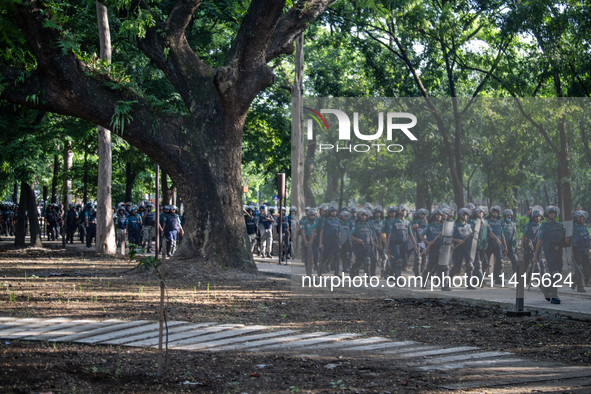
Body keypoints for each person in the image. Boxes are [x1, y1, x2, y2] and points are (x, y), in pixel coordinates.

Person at [533, 205, 567, 304]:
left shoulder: (560, 225)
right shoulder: (544, 226)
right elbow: (540, 241)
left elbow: (563, 239)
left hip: (558, 252)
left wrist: (566, 241)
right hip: (549, 252)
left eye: (554, 213)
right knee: (554, 273)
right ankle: (554, 296)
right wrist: (536, 255)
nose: (552, 214)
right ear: (547, 214)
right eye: (551, 213)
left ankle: (546, 289)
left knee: (558, 274)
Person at [386, 204, 419, 279]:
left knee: (402, 262)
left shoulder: (407, 223)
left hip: (404, 245)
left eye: (405, 211)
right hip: (395, 244)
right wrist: (387, 247)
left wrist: (415, 246)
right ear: (399, 212)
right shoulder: (394, 222)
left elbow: (411, 234)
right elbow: (390, 235)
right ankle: (398, 278)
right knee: (398, 261)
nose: (404, 212)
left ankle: (391, 272)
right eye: (402, 210)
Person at [450, 208, 476, 289]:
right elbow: (450, 238)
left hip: (467, 248)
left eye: (467, 215)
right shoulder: (455, 226)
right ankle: (449, 277)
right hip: (459, 249)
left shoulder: (468, 226)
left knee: (470, 265)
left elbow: (472, 235)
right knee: (457, 267)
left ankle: (469, 284)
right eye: (465, 215)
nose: (466, 216)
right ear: (460, 216)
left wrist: (473, 235)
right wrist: (458, 241)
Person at [421, 209, 444, 287]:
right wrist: (428, 242)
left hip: (441, 248)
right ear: (434, 216)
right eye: (438, 215)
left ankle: (439, 282)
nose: (439, 216)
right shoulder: (429, 226)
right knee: (430, 266)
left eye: (440, 215)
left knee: (440, 266)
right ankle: (424, 282)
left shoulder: (443, 226)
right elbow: (421, 236)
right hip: (433, 248)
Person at [486, 206, 508, 284]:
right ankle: (479, 278)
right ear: (491, 213)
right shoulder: (487, 221)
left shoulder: (499, 222)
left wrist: (505, 246)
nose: (495, 214)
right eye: (494, 212)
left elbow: (502, 235)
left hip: (498, 244)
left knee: (500, 262)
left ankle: (498, 278)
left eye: (496, 212)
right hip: (488, 243)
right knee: (485, 261)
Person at [350, 209, 374, 277]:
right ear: (359, 216)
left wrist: (372, 245)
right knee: (359, 262)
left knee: (367, 261)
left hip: (367, 246)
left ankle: (367, 277)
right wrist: (357, 240)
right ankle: (352, 270)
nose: (364, 217)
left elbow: (370, 235)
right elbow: (350, 235)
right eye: (362, 215)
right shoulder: (356, 225)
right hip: (358, 246)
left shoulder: (368, 225)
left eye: (365, 216)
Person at [521, 208, 545, 279]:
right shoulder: (528, 225)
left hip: (538, 248)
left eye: (539, 217)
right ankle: (522, 279)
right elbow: (524, 236)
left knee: (537, 264)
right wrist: (522, 246)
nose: (537, 218)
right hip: (529, 248)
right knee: (526, 264)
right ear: (533, 217)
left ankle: (530, 279)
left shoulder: (541, 226)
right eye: (536, 217)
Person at [318, 206, 341, 275]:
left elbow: (339, 232)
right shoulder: (326, 220)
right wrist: (320, 243)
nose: (334, 213)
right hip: (327, 240)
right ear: (330, 212)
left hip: (336, 240)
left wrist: (339, 242)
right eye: (332, 211)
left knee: (337, 255)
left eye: (335, 211)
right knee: (325, 256)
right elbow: (322, 232)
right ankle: (320, 269)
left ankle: (336, 272)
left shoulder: (338, 220)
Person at [572, 210, 590, 293]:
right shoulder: (572, 227)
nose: (581, 218)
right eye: (580, 217)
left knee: (587, 265)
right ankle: (580, 286)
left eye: (582, 217)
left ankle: (573, 279)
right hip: (576, 249)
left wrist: (588, 249)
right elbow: (570, 240)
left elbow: (588, 238)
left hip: (584, 249)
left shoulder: (584, 226)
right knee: (578, 267)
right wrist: (571, 252)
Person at [299, 208, 318, 275]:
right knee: (307, 254)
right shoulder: (305, 222)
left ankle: (315, 265)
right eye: (311, 216)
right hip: (307, 238)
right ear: (308, 216)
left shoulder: (316, 221)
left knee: (316, 252)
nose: (312, 217)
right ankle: (307, 267)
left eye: (313, 216)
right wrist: (305, 240)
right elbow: (302, 231)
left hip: (315, 239)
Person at [412, 209, 429, 276]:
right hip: (417, 241)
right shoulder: (415, 222)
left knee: (424, 257)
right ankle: (417, 274)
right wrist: (413, 227)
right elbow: (409, 229)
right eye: (421, 214)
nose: (422, 216)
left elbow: (428, 230)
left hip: (424, 242)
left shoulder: (425, 223)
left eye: (424, 215)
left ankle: (416, 268)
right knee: (418, 258)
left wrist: (426, 223)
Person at [502, 209, 518, 274]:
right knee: (499, 261)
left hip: (511, 245)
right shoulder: (502, 224)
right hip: (503, 245)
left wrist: (515, 245)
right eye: (507, 215)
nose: (509, 217)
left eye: (510, 215)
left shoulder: (513, 224)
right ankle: (497, 276)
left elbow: (515, 235)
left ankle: (516, 275)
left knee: (514, 259)